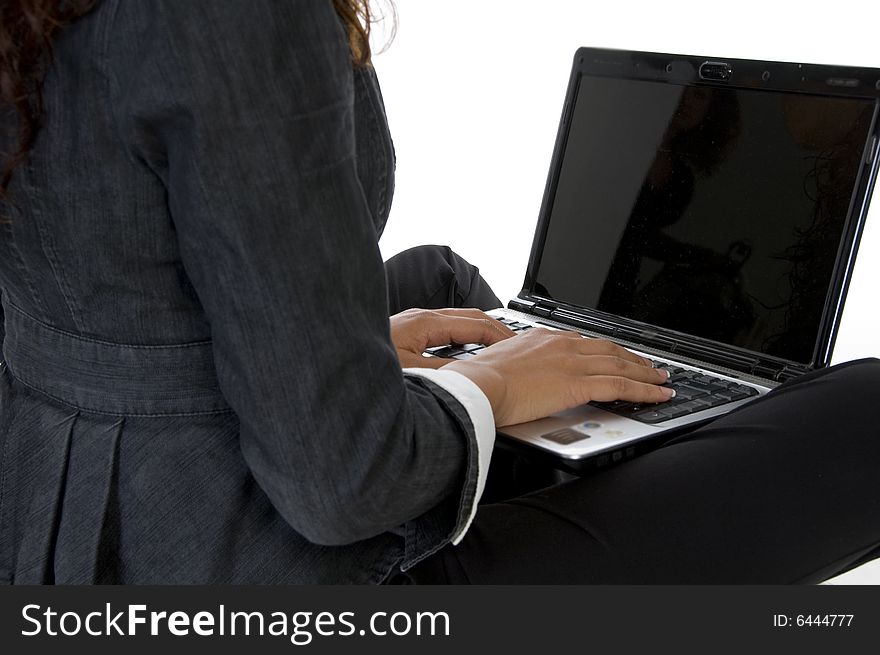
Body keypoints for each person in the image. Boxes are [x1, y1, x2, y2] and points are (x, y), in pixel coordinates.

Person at [0, 0, 877, 585]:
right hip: (238, 567)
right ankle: (619, 460)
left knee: (442, 280)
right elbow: (342, 486)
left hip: (62, 499)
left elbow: (111, 279)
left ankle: (615, 434)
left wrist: (360, 355)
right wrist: (487, 390)